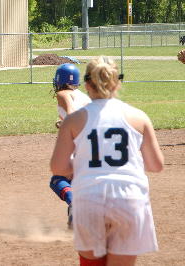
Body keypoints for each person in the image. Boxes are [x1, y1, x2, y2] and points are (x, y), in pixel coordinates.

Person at [50, 56, 164, 266]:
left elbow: (58, 167)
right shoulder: (139, 117)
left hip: (90, 199)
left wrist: (86, 163)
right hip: (130, 200)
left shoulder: (73, 120)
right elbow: (156, 165)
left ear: (87, 85)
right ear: (117, 83)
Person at [50, 63, 92, 228]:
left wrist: (67, 125)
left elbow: (72, 113)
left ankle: (75, 204)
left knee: (58, 179)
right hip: (95, 144)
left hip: (79, 143)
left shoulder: (63, 93)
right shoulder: (83, 96)